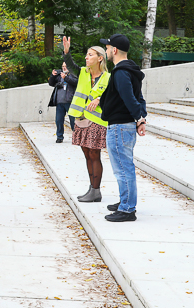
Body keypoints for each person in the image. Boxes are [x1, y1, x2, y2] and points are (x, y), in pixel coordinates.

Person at [98, 34, 148, 222]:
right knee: (123, 167)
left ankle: (127, 209)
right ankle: (124, 202)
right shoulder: (131, 70)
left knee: (123, 169)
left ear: (115, 50)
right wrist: (141, 118)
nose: (107, 51)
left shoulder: (120, 72)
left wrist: (139, 117)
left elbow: (129, 98)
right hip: (124, 125)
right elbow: (139, 98)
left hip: (119, 126)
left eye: (108, 48)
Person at [62, 36, 111, 203]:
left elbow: (110, 96)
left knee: (94, 153)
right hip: (81, 119)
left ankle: (96, 190)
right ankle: (92, 189)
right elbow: (71, 67)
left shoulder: (107, 77)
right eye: (86, 54)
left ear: (100, 58)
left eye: (90, 55)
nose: (86, 57)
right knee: (86, 154)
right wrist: (66, 52)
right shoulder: (84, 72)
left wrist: (100, 99)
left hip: (97, 121)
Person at [48, 62, 78, 143]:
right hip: (59, 102)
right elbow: (51, 83)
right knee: (59, 120)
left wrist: (66, 78)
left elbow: (76, 82)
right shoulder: (59, 76)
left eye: (66, 66)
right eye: (63, 66)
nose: (64, 68)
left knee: (73, 120)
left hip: (70, 101)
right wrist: (53, 76)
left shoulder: (73, 74)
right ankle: (59, 137)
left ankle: (76, 136)